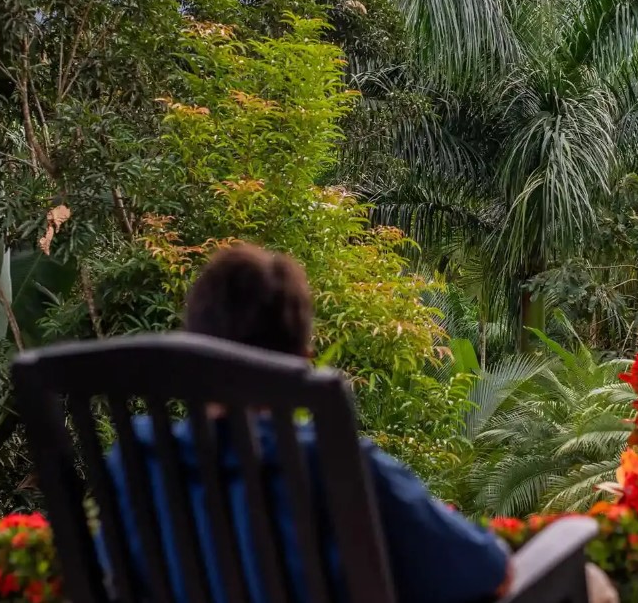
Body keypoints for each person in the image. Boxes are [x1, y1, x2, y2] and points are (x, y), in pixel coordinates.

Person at [102, 243, 516, 603]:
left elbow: (111, 574)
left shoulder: (136, 465)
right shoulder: (337, 465)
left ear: (192, 355)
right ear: (301, 359)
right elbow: (488, 573)